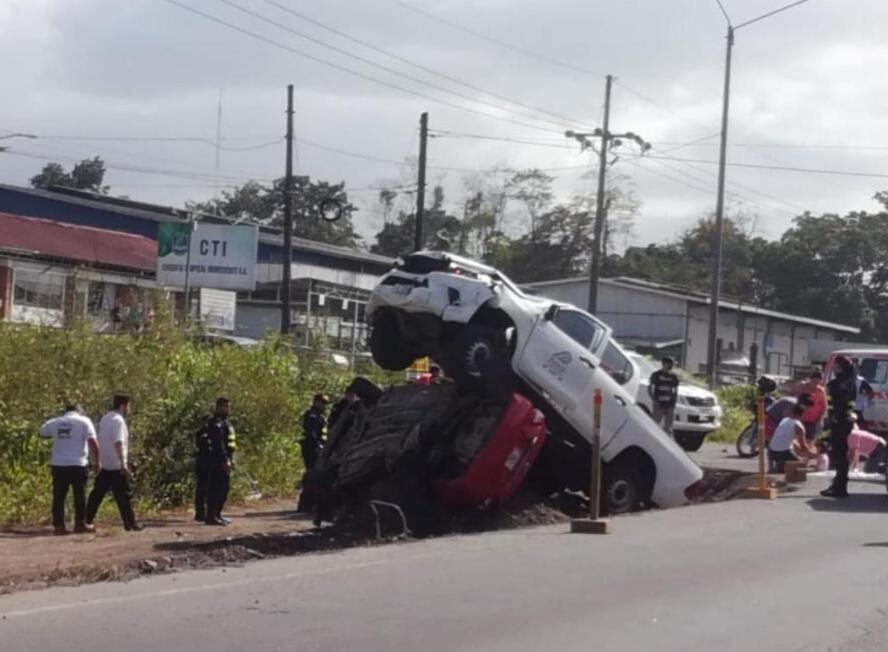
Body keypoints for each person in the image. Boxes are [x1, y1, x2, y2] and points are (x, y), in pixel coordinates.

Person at [39, 404, 99, 536]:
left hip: (59, 464)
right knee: (79, 495)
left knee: (59, 496)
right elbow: (93, 442)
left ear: (65, 411)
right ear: (79, 411)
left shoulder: (56, 421)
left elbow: (42, 431)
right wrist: (96, 462)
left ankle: (59, 526)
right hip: (78, 464)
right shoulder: (84, 421)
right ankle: (80, 524)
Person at [86, 395, 141, 531]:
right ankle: (130, 522)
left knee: (97, 494)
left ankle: (85, 519)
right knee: (124, 495)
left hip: (105, 463)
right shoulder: (118, 421)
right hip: (116, 465)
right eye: (128, 406)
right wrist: (123, 463)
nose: (129, 409)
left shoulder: (105, 419)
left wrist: (98, 460)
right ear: (123, 406)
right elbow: (119, 442)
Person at [194, 398, 238, 523]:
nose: (228, 409)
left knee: (223, 489)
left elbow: (229, 444)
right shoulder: (215, 424)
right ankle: (210, 516)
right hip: (216, 462)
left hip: (224, 459)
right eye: (226, 407)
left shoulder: (225, 424)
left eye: (229, 407)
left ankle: (216, 514)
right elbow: (218, 444)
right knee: (216, 489)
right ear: (218, 407)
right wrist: (225, 460)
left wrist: (231, 458)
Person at [821, 355, 857, 498]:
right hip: (844, 422)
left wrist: (834, 417)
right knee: (840, 453)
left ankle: (839, 487)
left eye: (836, 366)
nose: (834, 368)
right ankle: (838, 484)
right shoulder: (850, 381)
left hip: (839, 422)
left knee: (839, 454)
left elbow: (840, 403)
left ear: (840, 367)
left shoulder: (839, 384)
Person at [768, 404, 809, 472]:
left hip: (771, 451)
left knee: (786, 448)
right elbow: (803, 446)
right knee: (801, 466)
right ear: (802, 415)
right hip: (784, 452)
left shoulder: (784, 420)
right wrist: (811, 455)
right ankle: (781, 464)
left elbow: (784, 438)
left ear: (792, 412)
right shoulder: (799, 426)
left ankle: (774, 466)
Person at [648, 357, 679, 436]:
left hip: (669, 405)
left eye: (672, 364)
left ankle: (667, 440)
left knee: (668, 427)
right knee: (654, 425)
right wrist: (654, 400)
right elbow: (650, 387)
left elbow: (675, 390)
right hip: (658, 403)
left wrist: (674, 401)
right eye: (670, 364)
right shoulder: (656, 375)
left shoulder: (673, 376)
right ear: (664, 364)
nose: (671, 366)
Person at [800, 371, 827, 441]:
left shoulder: (820, 391)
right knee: (799, 438)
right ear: (811, 379)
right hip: (801, 418)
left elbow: (824, 406)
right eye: (815, 381)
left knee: (810, 439)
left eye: (818, 382)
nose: (816, 384)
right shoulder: (804, 387)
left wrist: (820, 420)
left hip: (813, 420)